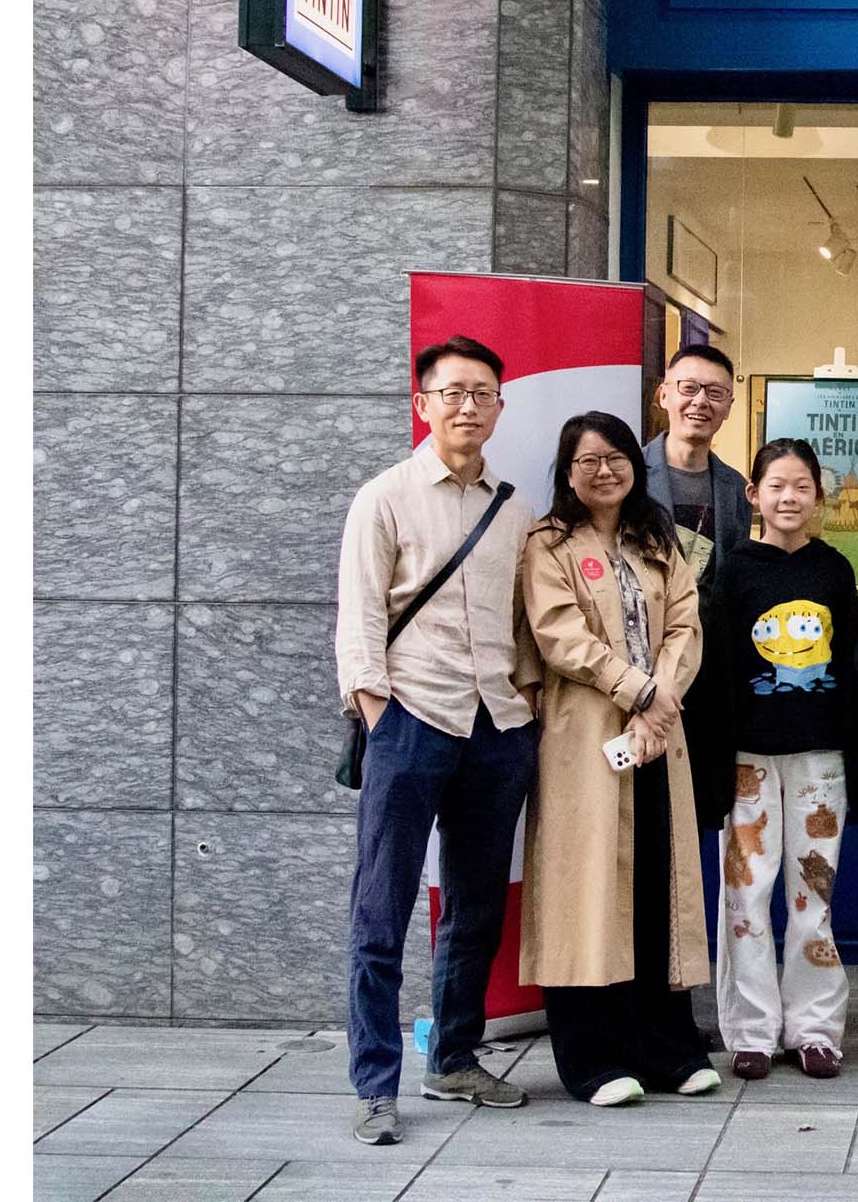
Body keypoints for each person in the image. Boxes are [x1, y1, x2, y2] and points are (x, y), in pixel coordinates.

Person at [334, 336, 540, 1145]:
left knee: (475, 908)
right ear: (423, 404)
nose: (468, 406)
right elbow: (359, 621)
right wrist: (379, 717)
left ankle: (453, 1059)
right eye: (452, 392)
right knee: (381, 912)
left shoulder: (514, 510)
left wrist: (524, 699)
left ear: (499, 406)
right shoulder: (384, 498)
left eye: (482, 393)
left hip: (497, 728)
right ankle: (375, 1085)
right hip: (411, 720)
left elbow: (523, 621)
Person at [518, 410, 719, 1106]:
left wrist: (661, 699)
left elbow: (686, 623)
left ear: (636, 463)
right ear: (567, 473)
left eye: (616, 458)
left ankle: (666, 1050)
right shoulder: (549, 544)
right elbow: (558, 635)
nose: (604, 471)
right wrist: (639, 691)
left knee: (657, 886)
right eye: (588, 461)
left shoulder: (657, 538)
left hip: (659, 737)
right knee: (586, 891)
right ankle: (591, 1060)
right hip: (585, 741)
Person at [703, 438, 858, 1082]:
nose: (789, 497)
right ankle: (750, 1031)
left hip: (821, 758)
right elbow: (718, 671)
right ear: (754, 494)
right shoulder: (733, 569)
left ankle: (815, 1030)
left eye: (802, 486)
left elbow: (851, 665)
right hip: (748, 758)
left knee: (814, 896)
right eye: (776, 485)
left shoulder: (834, 569)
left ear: (819, 497)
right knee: (745, 895)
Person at [644, 344, 752, 576]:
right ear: (664, 396)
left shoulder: (737, 489)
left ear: (728, 407)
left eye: (715, 392)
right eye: (689, 388)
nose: (701, 401)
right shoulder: (629, 474)